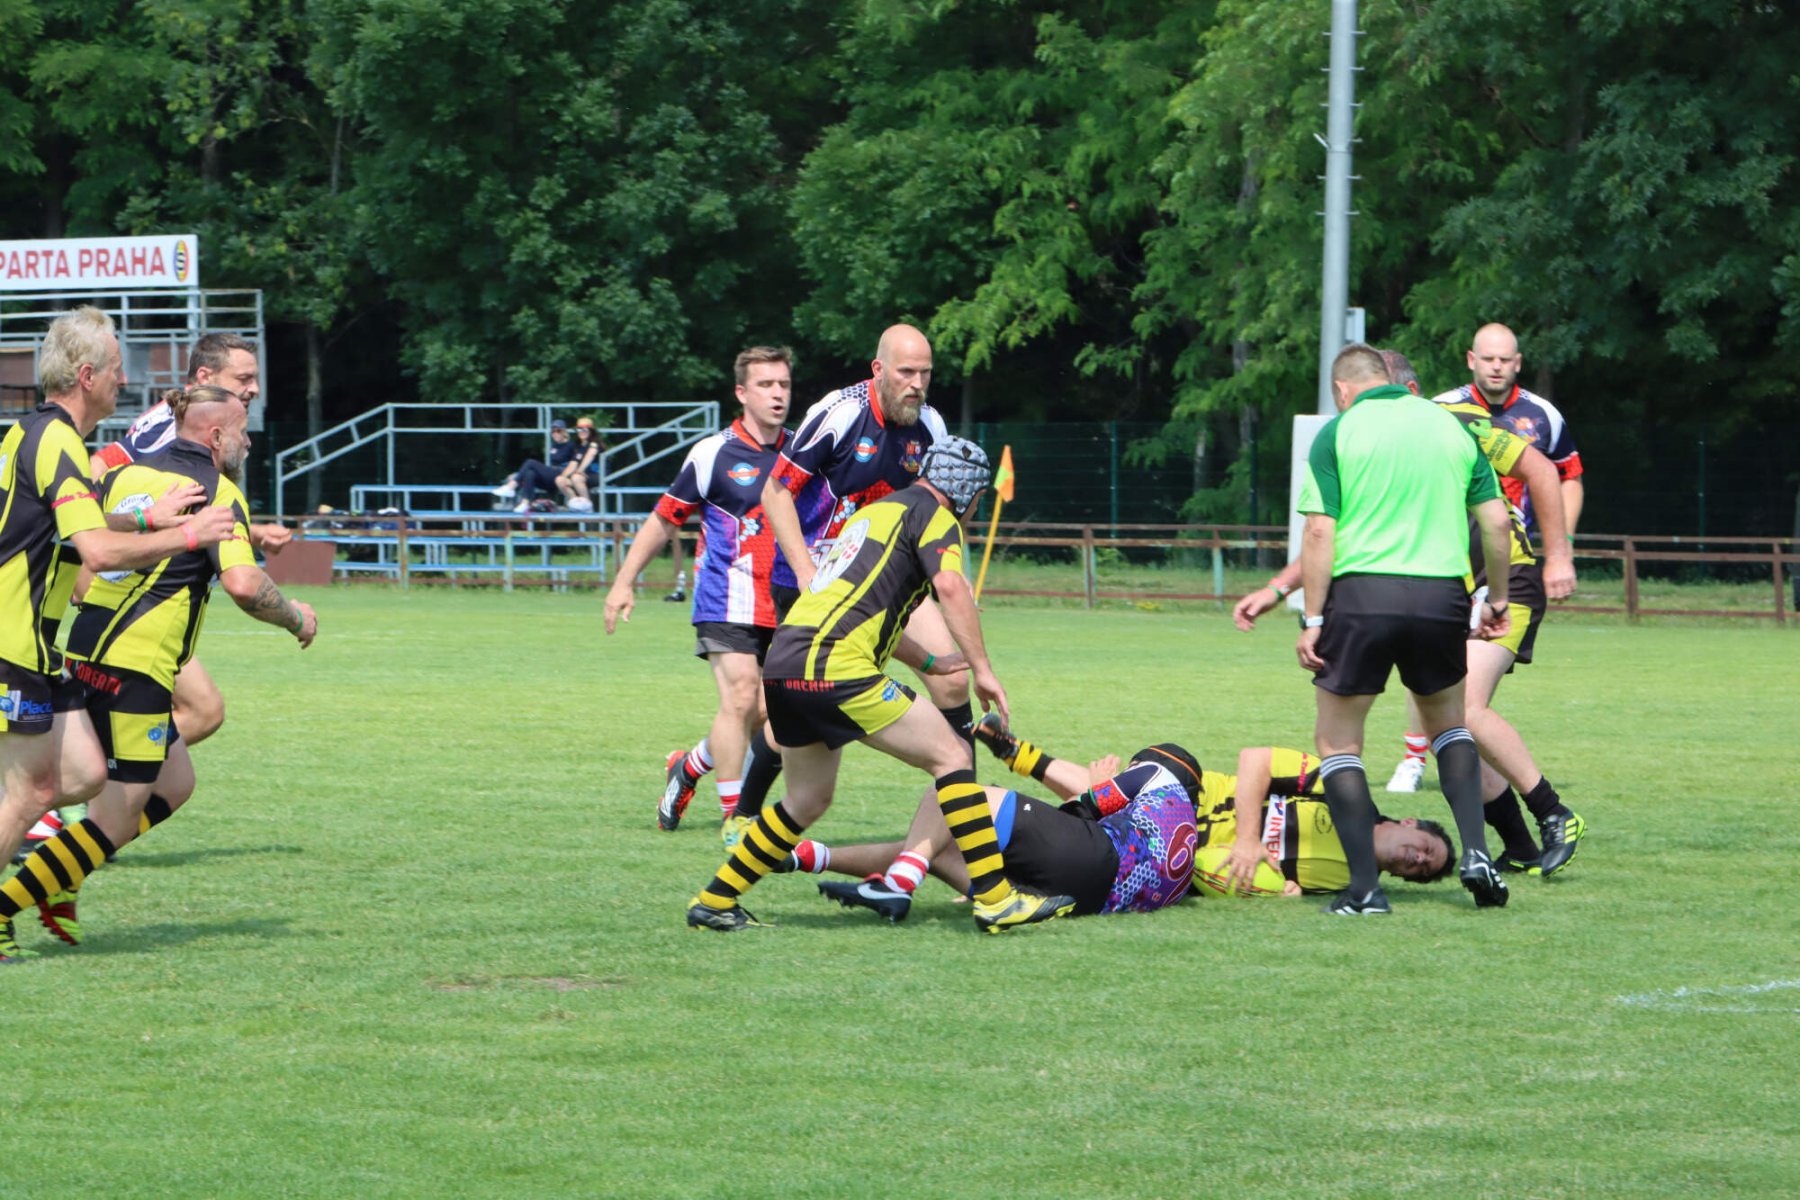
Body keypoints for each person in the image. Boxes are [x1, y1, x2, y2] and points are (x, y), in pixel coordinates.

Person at [685, 436, 1075, 934]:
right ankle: (997, 900)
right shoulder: (937, 517)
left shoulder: (875, 514)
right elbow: (952, 587)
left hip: (785, 663)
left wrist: (931, 661)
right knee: (954, 756)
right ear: (965, 491)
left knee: (806, 800)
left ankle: (714, 901)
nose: (977, 507)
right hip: (834, 666)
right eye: (978, 497)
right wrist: (982, 669)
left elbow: (863, 605)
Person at [1237, 346, 1586, 876]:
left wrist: (1557, 554)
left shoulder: (1451, 422)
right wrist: (1278, 588)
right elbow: (1345, 533)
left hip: (1504, 578)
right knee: (1446, 725)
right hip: (1447, 592)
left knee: (1463, 713)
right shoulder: (1385, 437)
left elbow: (1539, 468)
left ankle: (1553, 812)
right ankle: (1519, 846)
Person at [0, 385, 317, 957]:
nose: (249, 441)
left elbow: (85, 538)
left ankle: (60, 870)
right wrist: (296, 617)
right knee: (111, 817)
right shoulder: (220, 493)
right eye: (242, 430)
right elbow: (244, 584)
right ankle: (13, 902)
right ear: (216, 436)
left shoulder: (125, 476)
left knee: (175, 784)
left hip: (87, 648)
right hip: (137, 668)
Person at [0, 308, 237, 962]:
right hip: (13, 638)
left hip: (35, 642)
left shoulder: (38, 437)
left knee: (79, 773)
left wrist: (146, 516)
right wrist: (188, 535)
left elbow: (78, 520)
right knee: (31, 790)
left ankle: (44, 877)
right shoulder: (56, 442)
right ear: (86, 376)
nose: (122, 381)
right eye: (114, 369)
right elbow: (97, 552)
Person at [798, 726, 1452, 923]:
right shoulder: (1345, 791)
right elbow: (1255, 761)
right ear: (1411, 820)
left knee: (953, 807)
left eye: (1423, 872)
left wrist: (1265, 881)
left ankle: (899, 875)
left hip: (1154, 849)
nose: (1418, 861)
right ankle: (811, 858)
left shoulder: (1346, 883)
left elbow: (1267, 886)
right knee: (948, 839)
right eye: (1425, 847)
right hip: (1171, 814)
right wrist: (1251, 840)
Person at [1294, 343, 1515, 915]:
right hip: (1441, 596)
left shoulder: (1338, 432)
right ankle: (1476, 853)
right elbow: (1496, 522)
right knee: (1449, 727)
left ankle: (1365, 891)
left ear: (1343, 390)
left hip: (1361, 596)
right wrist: (1495, 597)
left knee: (1340, 742)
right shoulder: (1451, 427)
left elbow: (1319, 532)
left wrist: (1313, 619)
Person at [726, 324, 966, 836]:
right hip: (814, 579)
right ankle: (742, 814)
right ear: (878, 369)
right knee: (802, 712)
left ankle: (959, 821)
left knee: (953, 679)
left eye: (925, 373)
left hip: (884, 579)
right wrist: (809, 574)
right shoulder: (840, 413)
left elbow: (936, 511)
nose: (917, 384)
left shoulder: (931, 426)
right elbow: (774, 492)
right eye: (906, 372)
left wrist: (947, 580)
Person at [605, 347, 793, 840]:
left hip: (786, 603)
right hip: (725, 598)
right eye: (766, 385)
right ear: (742, 393)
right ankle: (735, 819)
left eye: (783, 384)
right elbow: (665, 517)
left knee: (773, 712)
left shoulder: (802, 452)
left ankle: (689, 765)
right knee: (741, 695)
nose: (777, 394)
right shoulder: (713, 453)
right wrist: (624, 581)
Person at [87, 332, 290, 750]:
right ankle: (94, 776)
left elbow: (181, 504)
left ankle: (101, 771)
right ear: (205, 377)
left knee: (203, 712)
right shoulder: (172, 425)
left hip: (138, 598)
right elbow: (99, 470)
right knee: (200, 711)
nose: (254, 388)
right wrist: (98, 543)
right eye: (243, 378)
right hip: (132, 601)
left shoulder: (185, 420)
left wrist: (249, 532)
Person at [493, 420, 577, 512]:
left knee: (530, 462)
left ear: (564, 431)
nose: (555, 433)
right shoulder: (554, 446)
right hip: (551, 476)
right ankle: (525, 503)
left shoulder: (571, 445)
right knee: (530, 473)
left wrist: (564, 476)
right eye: (553, 431)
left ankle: (511, 486)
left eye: (558, 431)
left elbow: (574, 465)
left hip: (560, 475)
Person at [557, 417, 604, 511]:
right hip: (583, 476)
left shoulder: (595, 443)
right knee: (560, 480)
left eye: (585, 429)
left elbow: (590, 455)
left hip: (598, 474)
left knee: (576, 477)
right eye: (579, 429)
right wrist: (563, 477)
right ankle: (576, 504)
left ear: (590, 431)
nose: (581, 432)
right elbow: (573, 463)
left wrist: (579, 470)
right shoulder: (578, 446)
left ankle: (588, 507)